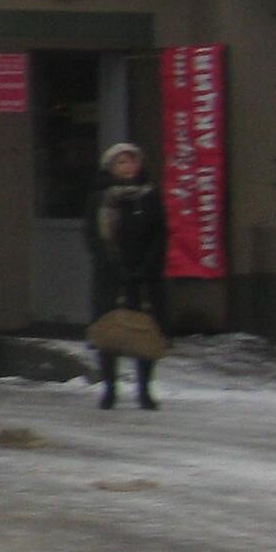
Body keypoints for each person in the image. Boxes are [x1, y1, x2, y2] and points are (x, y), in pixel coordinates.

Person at [89, 139, 171, 411]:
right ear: (111, 167)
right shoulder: (101, 198)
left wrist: (145, 266)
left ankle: (145, 390)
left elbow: (160, 233)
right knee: (110, 331)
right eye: (122, 161)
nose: (129, 166)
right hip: (111, 276)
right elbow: (94, 238)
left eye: (132, 160)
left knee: (144, 332)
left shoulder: (149, 195)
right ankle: (109, 388)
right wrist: (114, 266)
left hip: (144, 276)